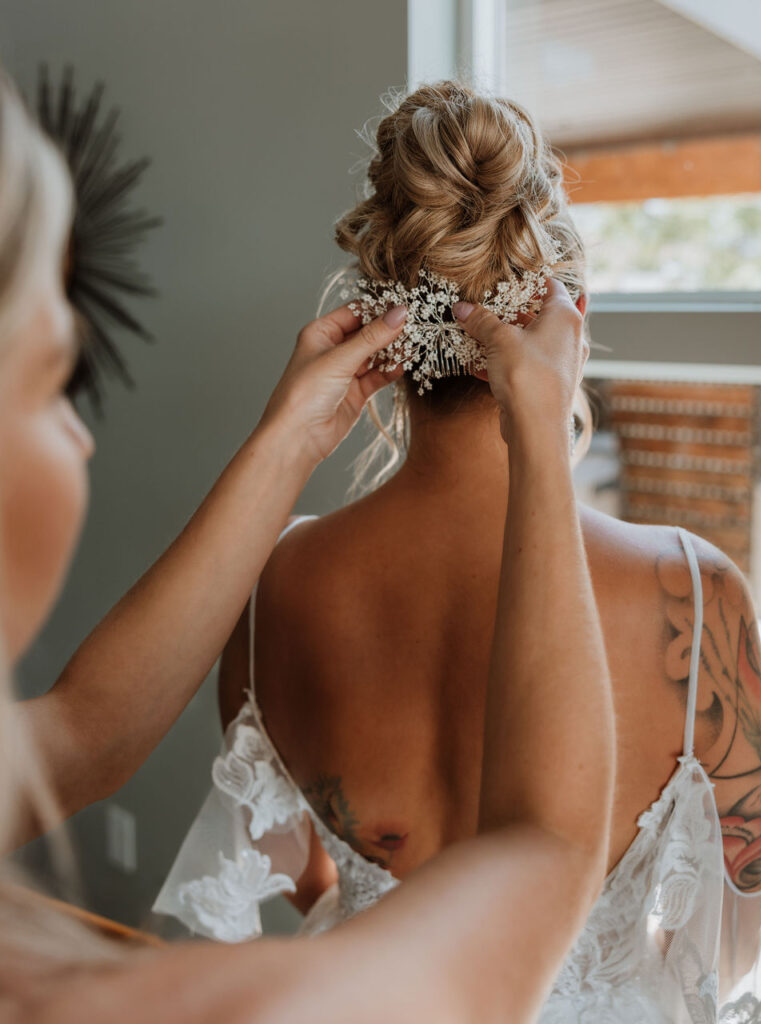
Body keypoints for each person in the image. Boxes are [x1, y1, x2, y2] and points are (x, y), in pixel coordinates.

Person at [159, 81, 761, 1021]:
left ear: (383, 328)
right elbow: (732, 938)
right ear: (569, 317)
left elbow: (300, 873)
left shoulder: (273, 582)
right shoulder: (695, 593)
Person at [0, 68, 617, 1021]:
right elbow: (545, 852)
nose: (82, 437)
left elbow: (85, 732)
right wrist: (536, 433)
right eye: (54, 382)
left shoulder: (285, 578)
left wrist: (290, 437)